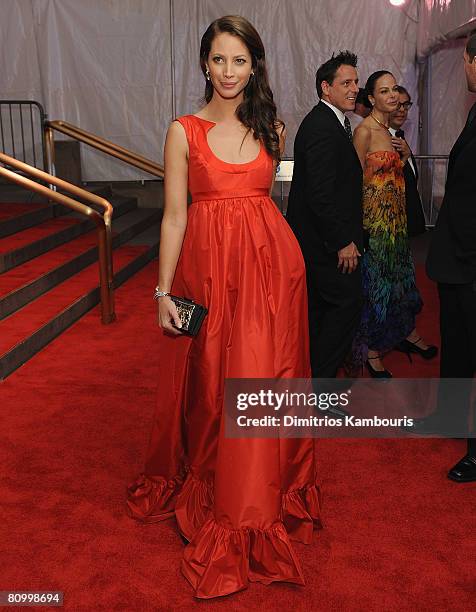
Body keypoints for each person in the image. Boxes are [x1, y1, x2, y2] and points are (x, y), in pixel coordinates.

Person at [126, 16, 320, 599]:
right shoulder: (182, 131)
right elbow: (174, 216)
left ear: (254, 65)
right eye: (219, 59)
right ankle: (210, 483)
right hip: (207, 275)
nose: (229, 71)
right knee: (210, 389)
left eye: (240, 60)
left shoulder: (272, 127)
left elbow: (268, 207)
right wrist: (162, 292)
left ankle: (255, 498)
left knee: (263, 381)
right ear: (204, 64)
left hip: (270, 278)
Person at [415, 32, 476, 482]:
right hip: (457, 259)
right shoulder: (475, 111)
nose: (466, 69)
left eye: (468, 60)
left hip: (472, 259)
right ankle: (449, 416)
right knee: (456, 347)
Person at [351, 71, 436, 378]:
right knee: (378, 288)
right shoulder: (365, 131)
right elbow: (354, 181)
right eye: (384, 91)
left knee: (401, 284)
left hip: (395, 224)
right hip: (375, 228)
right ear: (372, 98)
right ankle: (372, 352)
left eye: (394, 90)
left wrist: (404, 159)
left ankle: (404, 334)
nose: (393, 96)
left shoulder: (390, 132)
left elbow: (390, 177)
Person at [287, 51, 364, 385]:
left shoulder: (332, 121)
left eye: (356, 82)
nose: (355, 89)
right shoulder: (321, 127)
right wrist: (341, 242)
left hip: (321, 244)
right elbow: (320, 195)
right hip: (324, 246)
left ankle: (314, 381)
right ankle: (321, 386)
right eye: (346, 82)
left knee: (320, 311)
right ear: (325, 87)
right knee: (346, 305)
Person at [389, 85, 426, 237]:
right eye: (398, 105)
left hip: (407, 224)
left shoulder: (399, 136)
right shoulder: (382, 139)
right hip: (392, 225)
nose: (403, 110)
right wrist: (405, 157)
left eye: (406, 104)